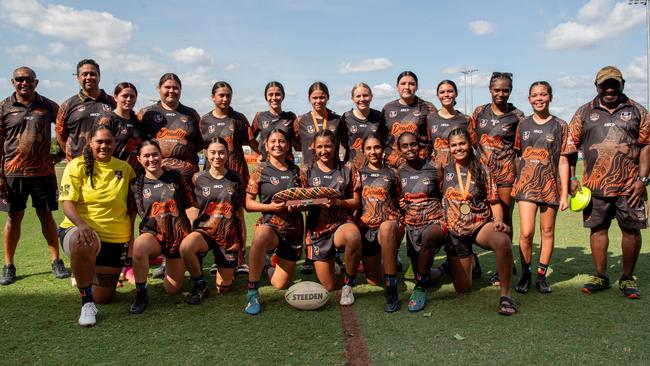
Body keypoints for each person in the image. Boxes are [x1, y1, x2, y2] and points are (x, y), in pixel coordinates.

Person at [568, 66, 649, 299]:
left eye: (615, 84)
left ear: (623, 84)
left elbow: (646, 146)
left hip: (630, 186)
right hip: (594, 186)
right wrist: (573, 177)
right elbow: (571, 147)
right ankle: (600, 275)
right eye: (605, 84)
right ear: (597, 86)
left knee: (631, 231)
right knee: (598, 229)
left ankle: (627, 278)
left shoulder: (637, 111)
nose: (610, 88)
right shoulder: (584, 112)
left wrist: (642, 179)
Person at [58, 124, 136, 326]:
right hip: (80, 230)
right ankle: (87, 302)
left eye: (108, 141)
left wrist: (130, 243)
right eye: (99, 141)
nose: (104, 145)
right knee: (84, 242)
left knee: (105, 297)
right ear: (89, 142)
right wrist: (82, 225)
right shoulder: (76, 165)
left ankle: (85, 272)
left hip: (115, 237)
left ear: (114, 143)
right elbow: (67, 204)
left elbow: (132, 206)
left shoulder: (125, 168)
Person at [0, 66, 68, 285]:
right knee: (14, 218)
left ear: (36, 82)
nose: (24, 83)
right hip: (13, 172)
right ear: (13, 82)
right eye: (20, 79)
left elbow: (64, 128)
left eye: (28, 79)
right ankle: (9, 265)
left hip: (43, 172)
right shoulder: (3, 107)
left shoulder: (47, 106)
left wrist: (59, 155)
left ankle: (56, 261)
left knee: (46, 217)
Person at [442, 127, 516, 315]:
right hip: (455, 231)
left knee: (503, 240)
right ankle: (472, 263)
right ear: (449, 148)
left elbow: (494, 201)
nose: (458, 148)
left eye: (462, 143)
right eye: (454, 145)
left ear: (470, 144)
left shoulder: (482, 168)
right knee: (463, 288)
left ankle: (506, 296)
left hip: (479, 224)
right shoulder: (443, 169)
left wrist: (498, 220)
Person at [138, 73, 201, 278]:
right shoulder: (147, 113)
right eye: (167, 87)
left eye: (175, 87)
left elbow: (199, 143)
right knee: (164, 219)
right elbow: (138, 143)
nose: (171, 91)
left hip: (186, 179)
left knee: (189, 220)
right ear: (159, 88)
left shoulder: (191, 114)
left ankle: (192, 260)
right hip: (158, 180)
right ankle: (167, 261)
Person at [512, 81, 573, 294]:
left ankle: (541, 276)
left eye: (543, 95)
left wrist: (565, 192)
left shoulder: (560, 125)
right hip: (526, 186)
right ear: (529, 99)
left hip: (550, 187)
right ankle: (526, 273)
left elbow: (564, 161)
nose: (539, 99)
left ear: (550, 97)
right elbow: (518, 156)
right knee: (526, 232)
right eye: (535, 95)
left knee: (547, 231)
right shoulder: (523, 124)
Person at [469, 72, 524, 285]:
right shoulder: (479, 112)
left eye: (505, 90)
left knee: (504, 219)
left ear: (510, 90)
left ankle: (506, 265)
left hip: (506, 175)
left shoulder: (517, 115)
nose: (501, 94)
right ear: (490, 90)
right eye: (497, 90)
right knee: (481, 216)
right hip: (481, 175)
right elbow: (472, 140)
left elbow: (520, 149)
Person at [128, 140, 196, 314]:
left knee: (172, 289)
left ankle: (173, 266)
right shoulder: (135, 185)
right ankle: (141, 294)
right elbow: (131, 216)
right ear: (139, 159)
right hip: (153, 236)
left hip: (177, 236)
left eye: (155, 154)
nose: (152, 159)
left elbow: (191, 205)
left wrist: (191, 235)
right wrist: (128, 250)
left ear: (161, 155)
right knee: (140, 247)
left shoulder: (175, 176)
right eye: (147, 156)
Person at [244, 129, 304, 315]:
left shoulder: (296, 171)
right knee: (261, 235)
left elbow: (305, 200)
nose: (277, 145)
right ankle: (252, 291)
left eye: (282, 141)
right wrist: (270, 207)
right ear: (266, 145)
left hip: (293, 230)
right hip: (271, 226)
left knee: (280, 284)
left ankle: (267, 266)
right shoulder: (260, 170)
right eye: (273, 141)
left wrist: (299, 205)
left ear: (288, 145)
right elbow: (248, 204)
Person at [299, 129, 362, 305]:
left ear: (335, 147)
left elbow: (356, 202)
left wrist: (336, 202)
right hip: (318, 230)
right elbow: (301, 202)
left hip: (341, 222)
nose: (324, 150)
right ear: (314, 148)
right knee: (329, 286)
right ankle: (331, 261)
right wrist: (313, 202)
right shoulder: (306, 170)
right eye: (320, 147)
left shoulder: (348, 168)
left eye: (328, 146)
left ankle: (348, 284)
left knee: (353, 236)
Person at [180, 137, 245, 305]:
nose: (217, 156)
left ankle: (229, 269)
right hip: (205, 232)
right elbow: (193, 207)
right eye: (213, 152)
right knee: (186, 247)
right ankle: (200, 284)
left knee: (224, 289)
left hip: (228, 236)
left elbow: (239, 212)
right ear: (206, 154)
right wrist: (190, 232)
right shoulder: (197, 178)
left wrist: (242, 243)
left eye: (221, 152)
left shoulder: (236, 178)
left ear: (227, 154)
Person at [198, 81, 254, 276]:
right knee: (214, 215)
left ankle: (240, 259)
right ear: (213, 97)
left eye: (228, 95)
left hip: (236, 173)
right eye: (221, 95)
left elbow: (253, 142)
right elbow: (196, 145)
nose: (225, 98)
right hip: (212, 175)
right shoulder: (204, 121)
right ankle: (217, 258)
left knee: (237, 214)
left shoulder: (239, 119)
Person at [293, 82, 347, 274]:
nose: (318, 100)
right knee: (311, 209)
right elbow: (296, 144)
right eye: (315, 97)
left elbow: (344, 143)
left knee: (333, 208)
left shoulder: (337, 120)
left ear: (327, 98)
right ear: (309, 99)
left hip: (332, 169)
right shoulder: (301, 121)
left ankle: (336, 253)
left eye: (322, 97)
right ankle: (310, 255)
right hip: (310, 170)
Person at [396, 132, 446, 312]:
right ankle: (442, 268)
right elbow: (398, 197)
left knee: (428, 237)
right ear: (399, 149)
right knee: (422, 272)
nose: (410, 149)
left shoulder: (434, 167)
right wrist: (401, 203)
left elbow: (445, 194)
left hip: (435, 223)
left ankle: (419, 289)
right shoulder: (399, 172)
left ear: (420, 145)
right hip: (412, 226)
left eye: (413, 144)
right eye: (405, 146)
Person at [357, 134, 403, 312]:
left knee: (386, 228)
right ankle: (390, 261)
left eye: (376, 147)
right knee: (374, 280)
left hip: (390, 226)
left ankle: (392, 289)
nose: (373, 152)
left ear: (383, 150)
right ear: (363, 152)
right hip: (367, 229)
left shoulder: (392, 172)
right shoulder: (358, 174)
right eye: (368, 148)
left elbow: (401, 200)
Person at [55, 59, 115, 162]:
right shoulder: (67, 105)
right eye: (84, 74)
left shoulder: (114, 102)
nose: (88, 77)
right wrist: (71, 156)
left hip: (108, 164)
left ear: (99, 76)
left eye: (92, 74)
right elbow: (60, 136)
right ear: (78, 78)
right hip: (78, 165)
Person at [382, 71, 436, 168]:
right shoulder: (388, 108)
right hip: (393, 165)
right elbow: (381, 136)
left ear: (417, 86)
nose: (407, 87)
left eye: (411, 84)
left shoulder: (427, 107)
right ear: (397, 86)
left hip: (420, 164)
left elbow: (436, 134)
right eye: (403, 84)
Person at [341, 82, 385, 169]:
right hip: (353, 169)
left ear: (371, 96)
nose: (362, 99)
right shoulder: (346, 118)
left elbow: (384, 141)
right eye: (358, 96)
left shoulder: (379, 116)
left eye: (365, 95)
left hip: (375, 168)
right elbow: (343, 143)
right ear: (352, 98)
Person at [250, 81, 297, 162]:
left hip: (287, 165)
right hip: (266, 164)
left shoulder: (291, 117)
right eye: (270, 94)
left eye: (278, 94)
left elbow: (299, 142)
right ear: (266, 97)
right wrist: (261, 153)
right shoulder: (260, 116)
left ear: (283, 96)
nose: (274, 98)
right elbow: (250, 139)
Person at [428, 80, 470, 166]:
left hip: (459, 171)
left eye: (450, 91)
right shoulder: (430, 119)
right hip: (438, 172)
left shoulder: (465, 119)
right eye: (442, 92)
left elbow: (473, 146)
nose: (446, 95)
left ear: (456, 94)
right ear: (438, 95)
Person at [102, 82, 141, 168]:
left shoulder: (136, 121)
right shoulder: (108, 120)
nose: (128, 99)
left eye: (132, 96)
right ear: (115, 97)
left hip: (134, 174)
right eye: (125, 96)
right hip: (114, 172)